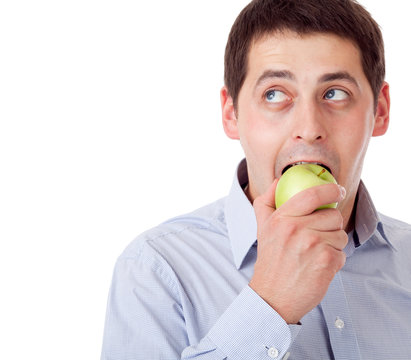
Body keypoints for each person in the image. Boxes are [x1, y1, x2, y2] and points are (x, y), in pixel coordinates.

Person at [101, 0, 411, 359]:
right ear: (231, 114)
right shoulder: (154, 271)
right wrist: (271, 302)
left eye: (335, 93)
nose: (309, 130)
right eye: (274, 94)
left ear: (381, 110)